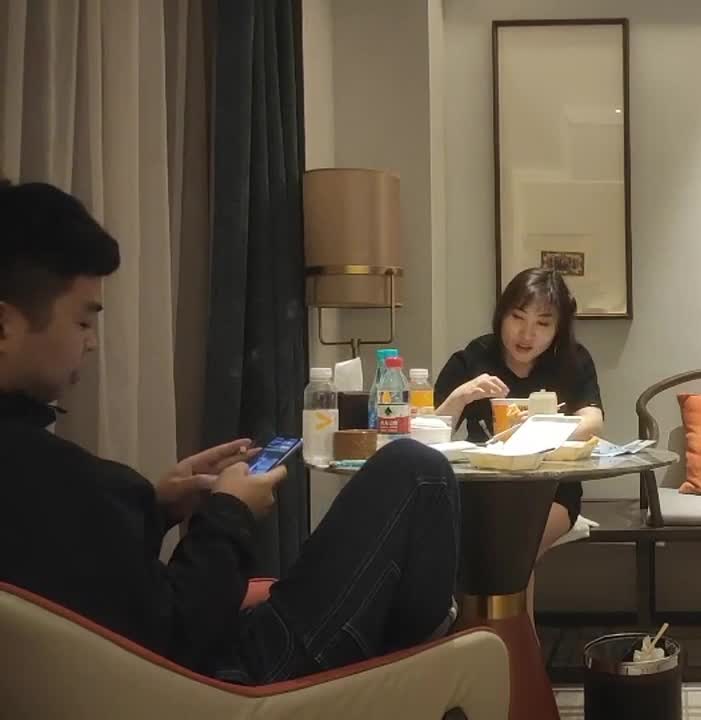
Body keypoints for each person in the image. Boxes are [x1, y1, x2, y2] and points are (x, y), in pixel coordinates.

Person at [0, 179, 460, 684]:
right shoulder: (38, 471)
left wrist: (156, 508)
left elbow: (89, 575)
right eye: (83, 323)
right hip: (222, 687)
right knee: (418, 471)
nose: (90, 344)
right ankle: (418, 687)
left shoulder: (38, 472)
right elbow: (178, 631)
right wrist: (229, 514)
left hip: (178, 667)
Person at [434, 268, 603, 614]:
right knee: (488, 556)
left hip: (552, 493)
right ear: (501, 315)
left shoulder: (572, 360)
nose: (527, 334)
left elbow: (593, 421)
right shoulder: (475, 357)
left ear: (558, 329)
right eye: (517, 317)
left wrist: (545, 427)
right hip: (481, 493)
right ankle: (504, 642)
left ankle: (493, 640)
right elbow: (431, 432)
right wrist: (461, 396)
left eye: (543, 323)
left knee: (510, 551)